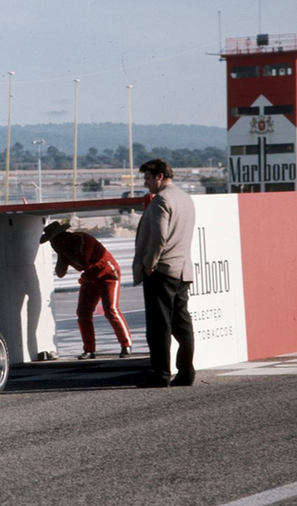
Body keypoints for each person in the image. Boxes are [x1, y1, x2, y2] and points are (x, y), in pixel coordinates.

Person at [133, 158, 196, 388]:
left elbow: (159, 236)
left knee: (159, 326)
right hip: (182, 269)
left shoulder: (161, 200)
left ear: (159, 176)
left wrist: (149, 264)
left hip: (162, 270)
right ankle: (186, 372)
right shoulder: (185, 198)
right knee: (182, 324)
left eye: (148, 178)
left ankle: (161, 374)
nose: (146, 183)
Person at [40, 221, 132, 360]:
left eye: (52, 241)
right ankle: (89, 349)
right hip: (90, 278)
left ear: (60, 237)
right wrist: (61, 254)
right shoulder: (62, 249)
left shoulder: (82, 239)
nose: (52, 245)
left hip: (107, 274)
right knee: (83, 313)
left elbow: (84, 262)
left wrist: (64, 250)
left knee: (111, 310)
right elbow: (60, 273)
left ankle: (126, 344)